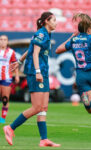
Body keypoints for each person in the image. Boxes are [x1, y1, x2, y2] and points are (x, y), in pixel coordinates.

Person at [3, 12, 61, 147]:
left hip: (43, 72)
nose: (56, 23)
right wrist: (38, 72)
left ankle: (44, 139)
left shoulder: (46, 34)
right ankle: (10, 128)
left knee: (43, 107)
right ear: (46, 21)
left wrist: (19, 60)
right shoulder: (41, 34)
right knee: (37, 107)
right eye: (54, 20)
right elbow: (35, 53)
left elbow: (30, 49)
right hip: (36, 73)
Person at [56, 17, 91, 143]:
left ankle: (86, 101)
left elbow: (58, 50)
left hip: (81, 75)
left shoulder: (74, 40)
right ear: (88, 29)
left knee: (90, 109)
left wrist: (71, 37)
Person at [0, 35, 20, 123]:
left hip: (6, 77)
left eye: (5, 40)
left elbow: (15, 64)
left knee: (5, 98)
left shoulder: (11, 52)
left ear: (7, 41)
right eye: (1, 39)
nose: (3, 41)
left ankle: (2, 119)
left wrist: (17, 75)